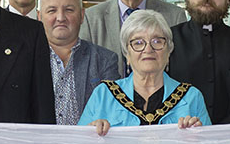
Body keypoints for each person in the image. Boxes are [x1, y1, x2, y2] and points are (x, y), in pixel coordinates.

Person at [80, 9, 210, 131]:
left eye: (157, 41)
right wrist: (90, 133)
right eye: (138, 43)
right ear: (127, 54)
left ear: (169, 51)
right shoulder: (103, 95)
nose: (148, 49)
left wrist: (198, 137)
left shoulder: (192, 97)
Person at [39, 0, 120, 125]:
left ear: (82, 15)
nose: (60, 17)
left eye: (69, 10)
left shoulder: (105, 60)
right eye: (52, 11)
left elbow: (111, 110)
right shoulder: (25, 60)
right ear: (39, 16)